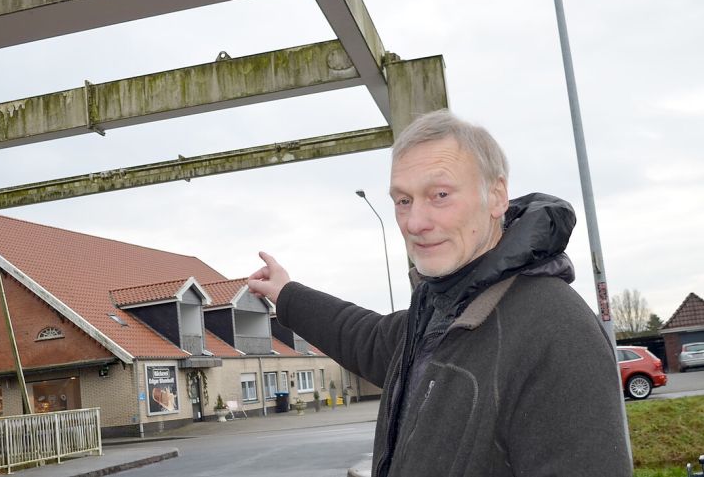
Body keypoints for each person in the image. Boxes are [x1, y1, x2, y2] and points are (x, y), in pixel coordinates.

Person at [247, 111, 630, 477]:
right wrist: (286, 294)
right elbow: (365, 337)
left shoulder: (555, 329)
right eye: (403, 200)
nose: (414, 223)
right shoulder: (437, 313)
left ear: (497, 197)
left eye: (440, 194)